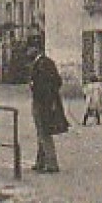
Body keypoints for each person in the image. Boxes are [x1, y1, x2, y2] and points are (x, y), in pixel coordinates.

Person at [28, 45, 70, 173]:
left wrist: (46, 98)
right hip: (45, 102)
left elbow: (50, 84)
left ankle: (51, 163)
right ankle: (41, 161)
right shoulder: (45, 63)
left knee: (44, 133)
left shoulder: (42, 65)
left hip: (43, 103)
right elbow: (57, 81)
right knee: (41, 132)